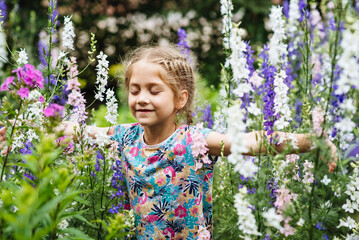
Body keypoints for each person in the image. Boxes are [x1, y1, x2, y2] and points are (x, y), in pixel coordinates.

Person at [0, 45, 337, 239]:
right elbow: (73, 130)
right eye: (134, 90)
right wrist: (16, 126)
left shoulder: (196, 141)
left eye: (154, 90)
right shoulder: (126, 137)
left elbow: (250, 142)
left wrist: (313, 141)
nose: (142, 98)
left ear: (180, 99)